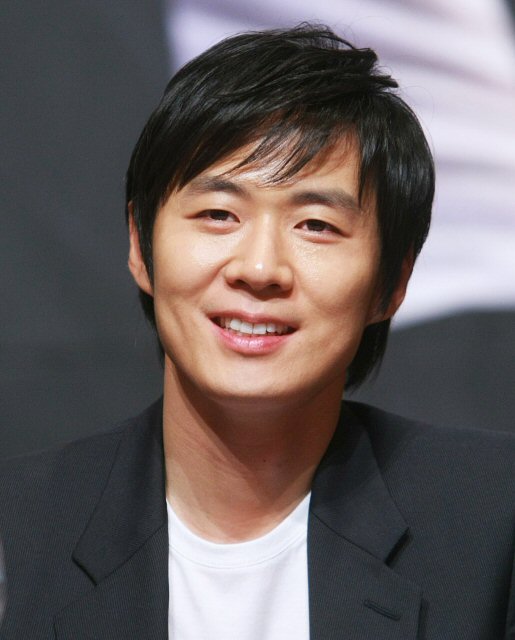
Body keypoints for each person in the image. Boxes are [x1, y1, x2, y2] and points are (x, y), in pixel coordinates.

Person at [0, 24, 513, 640]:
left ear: (392, 283)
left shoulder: (491, 525)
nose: (260, 268)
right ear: (140, 244)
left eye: (316, 225)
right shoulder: (17, 534)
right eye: (219, 214)